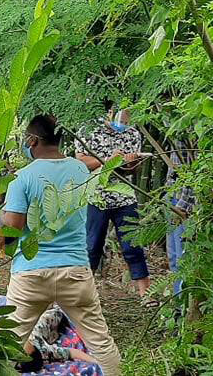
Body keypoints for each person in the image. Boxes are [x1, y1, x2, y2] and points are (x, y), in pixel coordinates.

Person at [2, 115, 121, 375]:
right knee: (101, 343)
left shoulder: (22, 178)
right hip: (75, 271)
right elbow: (91, 165)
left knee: (6, 345)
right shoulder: (79, 170)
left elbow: (12, 231)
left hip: (31, 273)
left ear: (32, 141)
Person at [74, 106, 152, 300]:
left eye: (126, 121)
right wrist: (108, 160)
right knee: (91, 247)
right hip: (95, 197)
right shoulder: (88, 130)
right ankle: (82, 293)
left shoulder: (132, 134)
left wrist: (131, 162)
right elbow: (80, 162)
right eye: (120, 120)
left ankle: (147, 294)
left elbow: (133, 169)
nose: (122, 124)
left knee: (132, 245)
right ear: (109, 112)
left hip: (124, 197)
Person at [165, 141, 196, 296]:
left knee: (182, 259)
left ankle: (183, 302)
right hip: (172, 194)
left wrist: (181, 206)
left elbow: (193, 168)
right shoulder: (174, 131)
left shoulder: (187, 129)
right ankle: (178, 300)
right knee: (173, 258)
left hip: (184, 202)